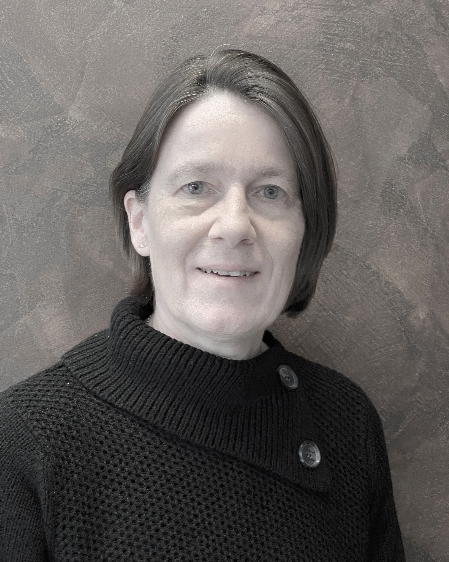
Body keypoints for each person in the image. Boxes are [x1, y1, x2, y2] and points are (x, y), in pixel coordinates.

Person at [0, 49, 405, 561]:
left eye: (270, 192)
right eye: (196, 187)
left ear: (306, 228)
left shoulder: (347, 423)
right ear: (140, 221)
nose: (234, 225)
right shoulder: (25, 441)